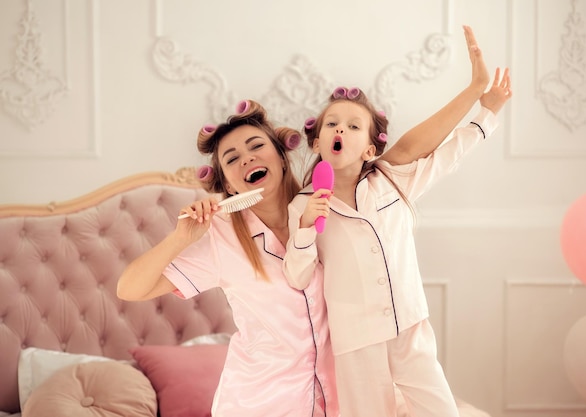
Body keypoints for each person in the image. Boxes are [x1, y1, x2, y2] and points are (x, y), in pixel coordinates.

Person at [282, 27, 512, 417]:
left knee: (442, 411)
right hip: (356, 340)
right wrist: (305, 229)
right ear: (318, 142)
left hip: (410, 325)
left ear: (370, 148)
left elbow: (446, 155)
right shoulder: (302, 205)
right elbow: (296, 276)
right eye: (332, 124)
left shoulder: (392, 181)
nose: (341, 129)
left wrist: (486, 112)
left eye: (354, 126)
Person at [116, 100, 339, 416]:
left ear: (281, 157)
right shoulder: (220, 239)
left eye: (256, 146)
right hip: (260, 403)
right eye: (232, 159)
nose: (247, 159)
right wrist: (180, 238)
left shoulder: (327, 210)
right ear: (228, 185)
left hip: (341, 398)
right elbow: (129, 289)